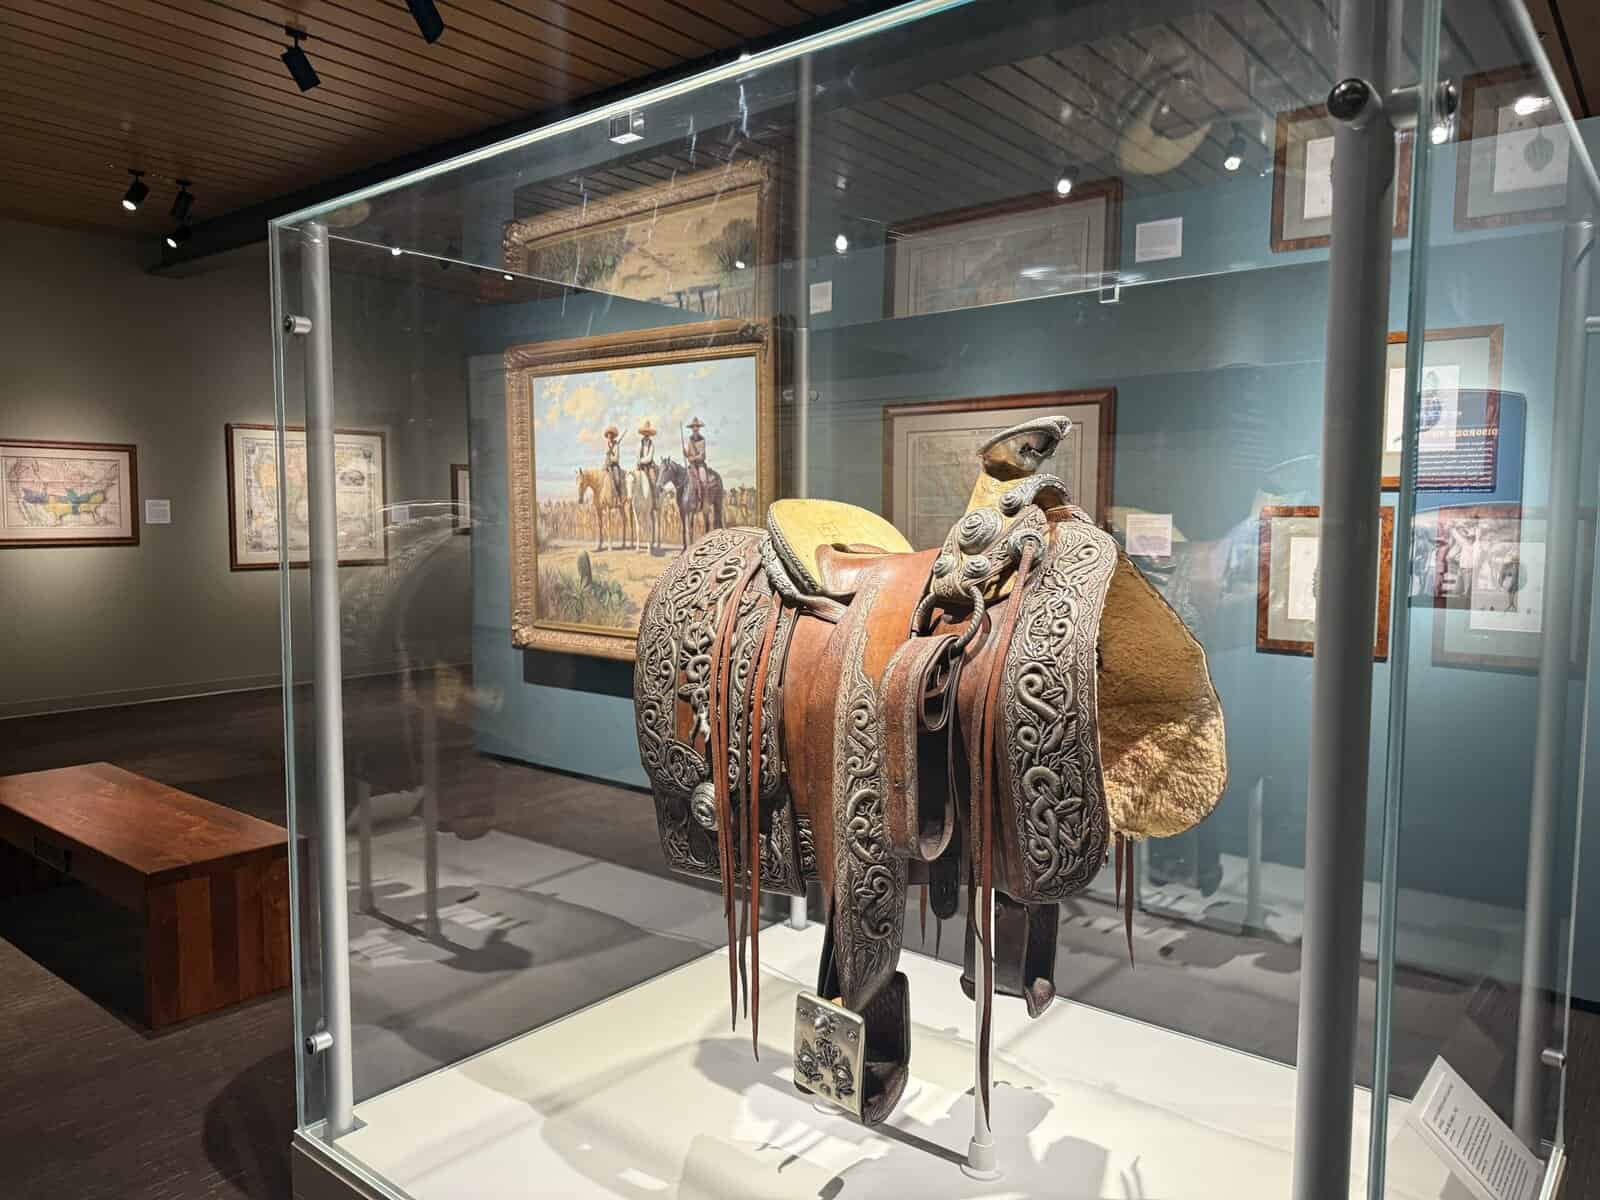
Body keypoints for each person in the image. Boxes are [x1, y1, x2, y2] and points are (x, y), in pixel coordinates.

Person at [684, 417, 708, 490]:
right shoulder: (689, 439)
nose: (695, 428)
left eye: (696, 427)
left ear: (698, 428)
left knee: (703, 481)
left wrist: (693, 458)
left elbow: (702, 455)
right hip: (691, 465)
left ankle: (704, 500)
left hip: (700, 465)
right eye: (693, 427)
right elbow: (688, 454)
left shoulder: (702, 440)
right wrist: (685, 453)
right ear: (691, 429)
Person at [603, 425, 624, 500]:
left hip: (614, 465)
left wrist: (610, 460)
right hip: (607, 465)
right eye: (608, 435)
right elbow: (606, 457)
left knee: (617, 480)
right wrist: (605, 464)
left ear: (613, 436)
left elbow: (616, 458)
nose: (609, 436)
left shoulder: (616, 446)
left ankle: (619, 497)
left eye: (611, 435)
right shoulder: (607, 445)